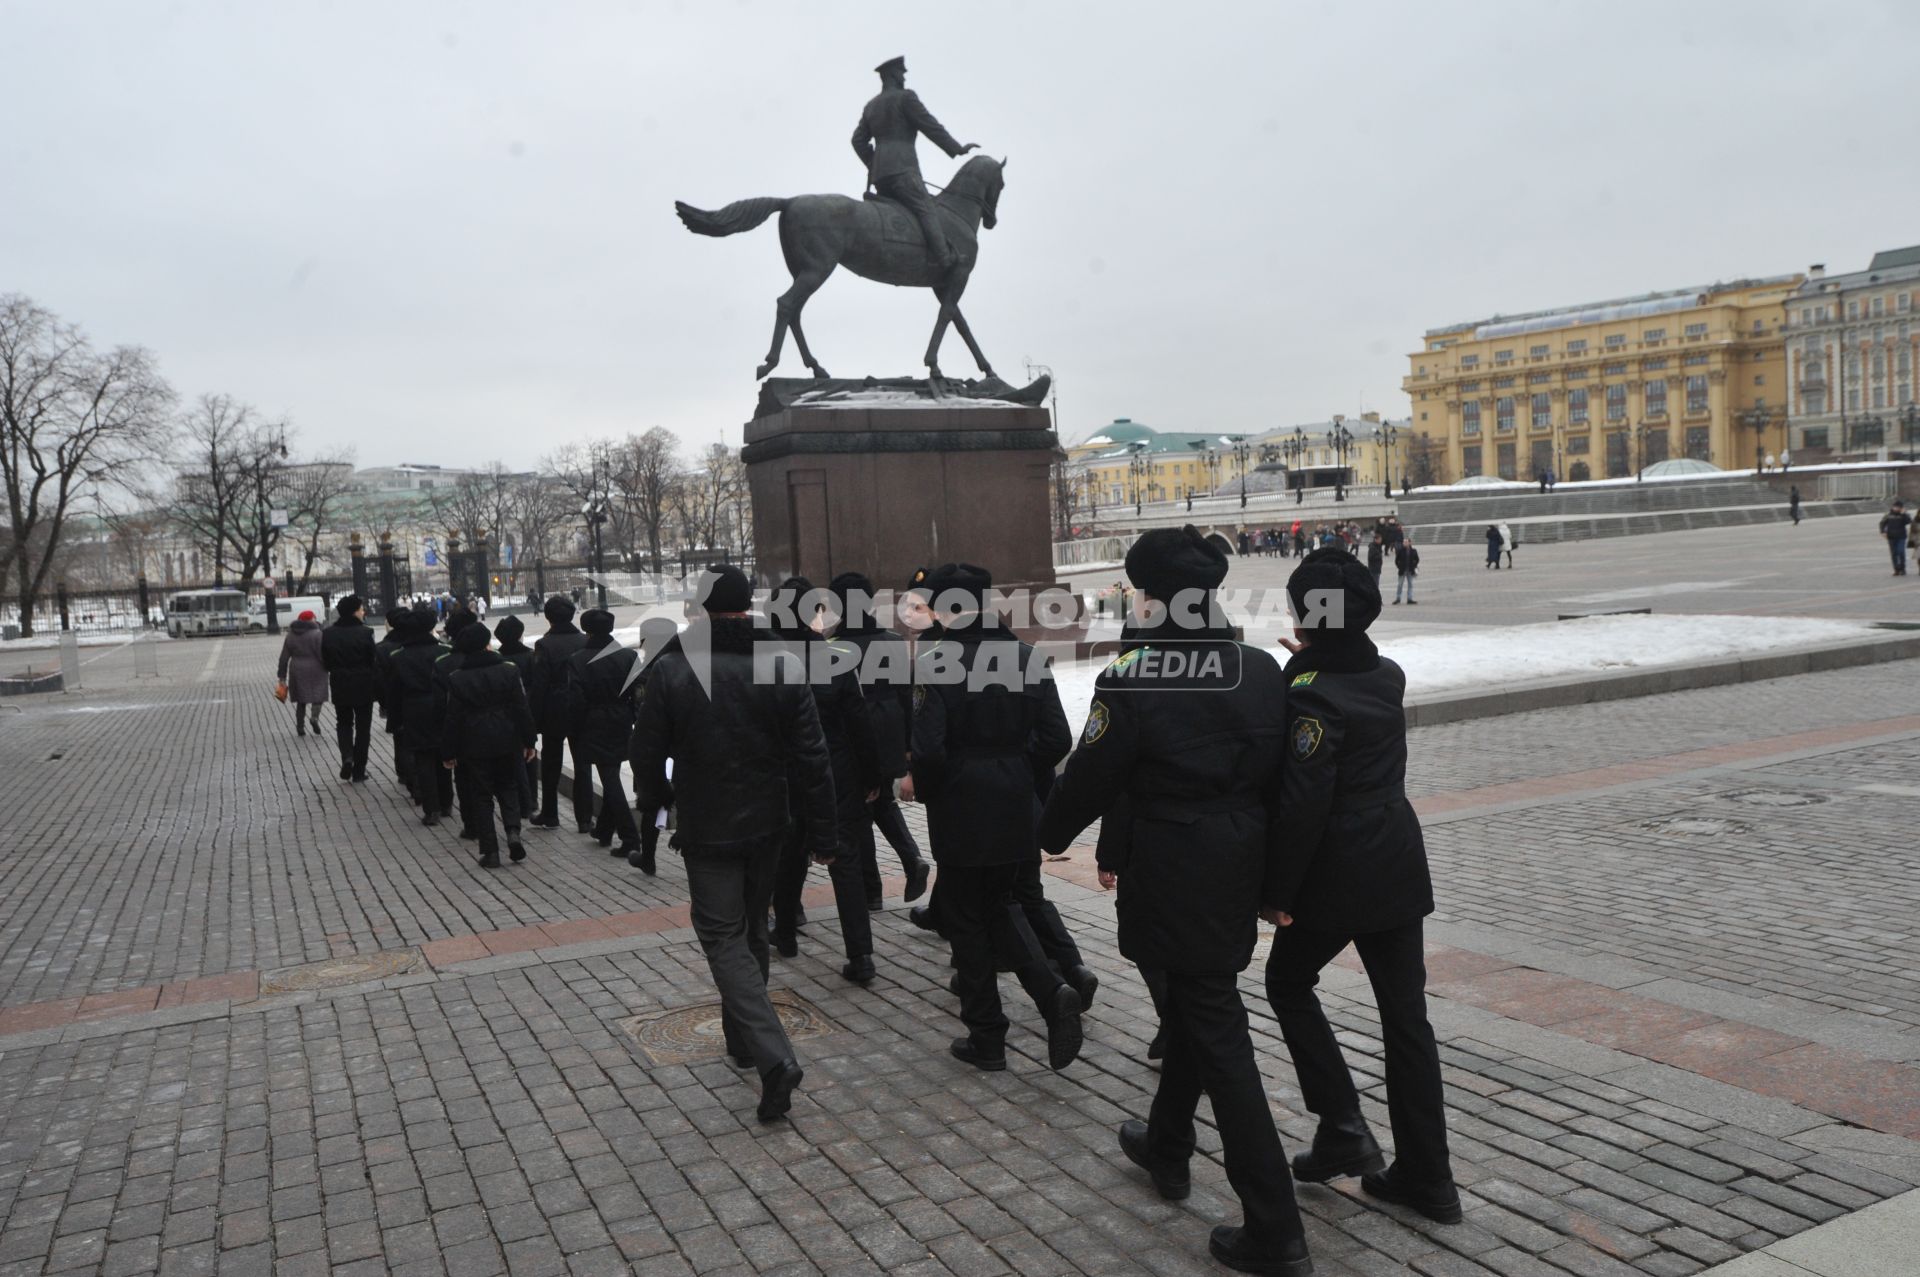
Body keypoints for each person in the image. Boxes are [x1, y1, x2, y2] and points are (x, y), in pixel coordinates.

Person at [1039, 527, 1310, 1276]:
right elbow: (1285, 780)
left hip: (1174, 871)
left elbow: (1089, 776)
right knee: (1201, 1001)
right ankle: (1166, 1143)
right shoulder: (1260, 670)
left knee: (1220, 1036)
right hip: (1238, 863)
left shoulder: (1134, 674)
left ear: (1152, 598)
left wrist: (1049, 830)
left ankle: (1276, 1228)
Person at [1263, 547, 1460, 1226]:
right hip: (1398, 861)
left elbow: (1303, 803)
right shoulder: (1386, 673)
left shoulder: (1309, 691)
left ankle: (1342, 1122)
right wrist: (1313, 656)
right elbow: (1345, 669)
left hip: (1338, 871)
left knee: (1287, 982)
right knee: (1407, 1019)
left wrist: (1278, 891)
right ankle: (1430, 1177)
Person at [632, 565, 835, 1122]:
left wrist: (655, 802)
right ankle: (743, 1041)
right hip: (770, 820)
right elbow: (813, 756)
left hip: (707, 823)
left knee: (722, 936)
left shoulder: (673, 668)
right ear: (748, 607)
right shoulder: (782, 664)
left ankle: (772, 1056)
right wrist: (824, 832)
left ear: (699, 611)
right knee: (750, 927)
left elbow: (645, 753)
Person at [910, 562, 1083, 1073]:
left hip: (962, 806)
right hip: (1015, 805)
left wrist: (943, 791)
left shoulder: (934, 662)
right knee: (1002, 903)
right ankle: (1052, 994)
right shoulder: (1028, 657)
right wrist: (1015, 773)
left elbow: (929, 751)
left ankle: (989, 1036)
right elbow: (1057, 739)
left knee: (966, 920)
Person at [768, 577, 884, 982]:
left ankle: (784, 932)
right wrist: (872, 775)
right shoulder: (835, 658)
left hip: (784, 775)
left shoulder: (763, 660)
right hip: (836, 774)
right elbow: (859, 722)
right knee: (846, 861)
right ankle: (861, 954)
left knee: (788, 855)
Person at [829, 571, 931, 907]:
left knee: (860, 808)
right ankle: (908, 860)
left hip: (852, 733)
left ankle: (872, 888)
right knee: (878, 801)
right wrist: (906, 743)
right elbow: (905, 693)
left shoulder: (833, 647)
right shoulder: (891, 640)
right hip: (890, 726)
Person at [851, 56, 979, 272]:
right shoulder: (906, 98)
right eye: (901, 73)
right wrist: (956, 148)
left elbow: (857, 140)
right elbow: (930, 126)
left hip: (881, 176)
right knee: (925, 208)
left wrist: (873, 162)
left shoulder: (871, 106)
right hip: (903, 170)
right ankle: (944, 257)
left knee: (902, 211)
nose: (904, 77)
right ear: (892, 74)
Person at [441, 622, 537, 869]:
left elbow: (452, 717)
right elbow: (521, 707)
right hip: (507, 737)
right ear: (487, 644)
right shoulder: (508, 670)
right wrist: (529, 740)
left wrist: (449, 751)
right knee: (508, 787)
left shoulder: (457, 677)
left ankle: (490, 850)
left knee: (481, 796)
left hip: (473, 742)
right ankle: (513, 831)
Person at [568, 609, 641, 859]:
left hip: (593, 720)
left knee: (609, 778)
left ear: (586, 630)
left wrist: (575, 727)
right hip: (621, 718)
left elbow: (576, 699)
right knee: (610, 772)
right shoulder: (628, 656)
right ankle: (604, 830)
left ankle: (630, 837)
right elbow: (638, 693)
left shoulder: (578, 660)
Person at [529, 597, 591, 831]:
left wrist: (533, 721)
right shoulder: (585, 640)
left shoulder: (545, 645)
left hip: (554, 709)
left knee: (551, 764)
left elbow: (539, 686)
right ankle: (584, 818)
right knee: (582, 763)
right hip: (580, 706)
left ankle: (550, 814)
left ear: (548, 617)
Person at [389, 609, 454, 824]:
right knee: (443, 755)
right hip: (442, 706)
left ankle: (431, 808)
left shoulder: (399, 657)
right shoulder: (444, 651)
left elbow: (394, 691)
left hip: (414, 709)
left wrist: (396, 719)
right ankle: (446, 803)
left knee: (423, 759)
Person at [319, 595, 379, 781]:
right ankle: (359, 770)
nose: (363, 612)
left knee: (343, 723)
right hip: (363, 685)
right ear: (354, 611)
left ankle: (347, 757)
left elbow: (325, 661)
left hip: (340, 683)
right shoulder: (366, 632)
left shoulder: (328, 633)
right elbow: (372, 660)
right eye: (361, 609)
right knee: (363, 728)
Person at [493, 614, 538, 817]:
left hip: (504, 715)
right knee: (530, 753)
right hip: (528, 710)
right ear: (520, 634)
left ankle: (519, 799)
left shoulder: (498, 660)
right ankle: (532, 800)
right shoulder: (531, 656)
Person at [374, 606, 411, 791]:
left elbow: (378, 680)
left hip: (395, 701)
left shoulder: (381, 648)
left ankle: (404, 772)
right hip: (420, 701)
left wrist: (384, 702)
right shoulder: (418, 644)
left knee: (401, 737)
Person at [276, 609, 327, 737]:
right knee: (318, 696)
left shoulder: (291, 635)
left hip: (297, 669)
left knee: (301, 699)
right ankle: (314, 718)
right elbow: (322, 654)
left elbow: (284, 657)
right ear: (311, 620)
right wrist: (328, 666)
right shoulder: (317, 634)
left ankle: (300, 727)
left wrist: (282, 676)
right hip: (317, 669)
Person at [1880, 501, 1911, 576]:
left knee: (1900, 552)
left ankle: (1902, 569)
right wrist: (1883, 531)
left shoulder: (1904, 514)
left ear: (1901, 508)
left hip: (1901, 536)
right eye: (1895, 507)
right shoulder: (1888, 514)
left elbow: (1908, 521)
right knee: (1894, 553)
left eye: (1898, 507)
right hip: (1891, 537)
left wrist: (1903, 514)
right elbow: (1882, 523)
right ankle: (1896, 569)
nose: (1896, 508)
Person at [1392, 531, 1420, 605]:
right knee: (1400, 585)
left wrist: (1414, 565)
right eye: (1404, 542)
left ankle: (1409, 599)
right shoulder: (1400, 551)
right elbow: (1396, 560)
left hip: (1410, 571)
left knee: (1410, 585)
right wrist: (1399, 566)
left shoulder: (1414, 551)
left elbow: (1417, 559)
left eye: (1406, 542)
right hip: (1402, 570)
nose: (1404, 543)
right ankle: (1398, 598)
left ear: (1410, 543)